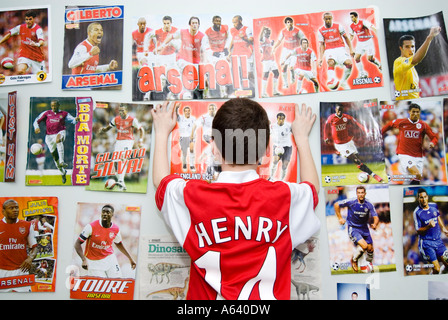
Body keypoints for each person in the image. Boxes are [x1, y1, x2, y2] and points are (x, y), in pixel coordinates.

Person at [151, 98, 320, 300]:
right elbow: (312, 189)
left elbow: (160, 181)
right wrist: (301, 138)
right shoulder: (284, 198)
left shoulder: (192, 197)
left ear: (214, 148)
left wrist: (161, 133)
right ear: (267, 150)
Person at [324, 104, 383, 182]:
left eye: (340, 110)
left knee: (358, 159)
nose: (339, 112)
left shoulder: (346, 117)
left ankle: (363, 172)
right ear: (336, 110)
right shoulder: (331, 118)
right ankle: (374, 175)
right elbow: (326, 126)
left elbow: (357, 123)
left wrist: (366, 130)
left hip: (349, 142)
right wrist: (325, 137)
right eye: (338, 110)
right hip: (340, 145)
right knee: (356, 161)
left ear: (343, 110)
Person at [74, 204, 137, 278]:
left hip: (109, 258)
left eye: (107, 212)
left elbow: (119, 244)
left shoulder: (115, 229)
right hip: (94, 261)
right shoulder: (91, 227)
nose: (105, 214)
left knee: (118, 280)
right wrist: (83, 260)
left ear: (112, 214)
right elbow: (77, 244)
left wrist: (130, 259)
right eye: (103, 212)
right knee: (101, 284)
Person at [381, 103, 438, 184]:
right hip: (405, 154)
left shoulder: (423, 125)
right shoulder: (402, 122)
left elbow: (434, 137)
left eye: (417, 112)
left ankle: (408, 188)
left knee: (416, 179)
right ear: (409, 112)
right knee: (416, 174)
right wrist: (380, 133)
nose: (415, 114)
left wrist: (433, 142)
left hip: (417, 156)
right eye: (413, 112)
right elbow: (390, 124)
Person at [99, 105, 145, 191]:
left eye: (123, 111)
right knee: (115, 163)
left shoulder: (132, 120)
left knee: (123, 159)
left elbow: (141, 129)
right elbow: (109, 127)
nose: (121, 112)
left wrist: (141, 140)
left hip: (128, 141)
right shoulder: (116, 119)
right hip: (118, 142)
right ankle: (122, 183)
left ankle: (120, 180)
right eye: (120, 111)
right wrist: (103, 130)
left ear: (126, 111)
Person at [334, 186, 379, 272]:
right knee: (364, 246)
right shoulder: (351, 202)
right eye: (359, 193)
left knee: (370, 249)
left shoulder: (369, 204)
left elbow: (375, 216)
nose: (361, 194)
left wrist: (375, 224)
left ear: (365, 193)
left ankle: (368, 265)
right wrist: (340, 218)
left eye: (362, 193)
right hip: (353, 228)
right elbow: (336, 205)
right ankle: (354, 260)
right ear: (356, 193)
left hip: (365, 229)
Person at [33, 99, 78, 184]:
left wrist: (76, 119)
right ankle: (63, 172)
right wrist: (36, 127)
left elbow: (73, 120)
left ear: (58, 105)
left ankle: (62, 161)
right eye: (52, 106)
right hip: (49, 137)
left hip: (60, 132)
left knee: (58, 140)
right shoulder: (46, 113)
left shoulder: (64, 114)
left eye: (55, 105)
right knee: (55, 157)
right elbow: (36, 120)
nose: (53, 107)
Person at [393, 26, 441, 100]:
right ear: (401, 48)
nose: (411, 50)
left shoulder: (411, 68)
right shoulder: (399, 61)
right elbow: (416, 59)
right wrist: (429, 38)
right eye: (407, 47)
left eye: (412, 46)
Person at [0, 199, 38, 292]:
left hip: (21, 270)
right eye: (11, 208)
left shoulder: (27, 225)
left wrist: (30, 258)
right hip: (2, 271)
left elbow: (34, 247)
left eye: (16, 207)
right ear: (3, 212)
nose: (15, 210)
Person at [413, 188, 448, 274]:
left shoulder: (434, 206)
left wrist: (443, 228)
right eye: (421, 197)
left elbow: (438, 217)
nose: (424, 199)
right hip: (427, 243)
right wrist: (428, 226)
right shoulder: (417, 212)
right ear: (418, 199)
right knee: (436, 268)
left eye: (425, 197)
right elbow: (418, 230)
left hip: (438, 241)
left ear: (427, 197)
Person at [0, 10, 46, 75]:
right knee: (20, 70)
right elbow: (9, 35)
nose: (28, 21)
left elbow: (42, 41)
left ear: (34, 19)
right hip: (24, 54)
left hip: (37, 57)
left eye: (30, 19)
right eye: (27, 19)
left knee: (41, 77)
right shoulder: (20, 27)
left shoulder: (38, 29)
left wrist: (36, 44)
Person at [318, 12, 354, 90]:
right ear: (323, 19)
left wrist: (351, 49)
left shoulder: (338, 26)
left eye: (329, 19)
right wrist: (320, 58)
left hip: (340, 48)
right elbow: (321, 45)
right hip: (329, 50)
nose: (328, 20)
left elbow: (346, 38)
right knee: (331, 62)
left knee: (349, 64)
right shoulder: (321, 30)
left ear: (332, 19)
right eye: (326, 19)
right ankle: (332, 80)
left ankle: (343, 82)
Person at [273, 17, 305, 89]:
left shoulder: (297, 31)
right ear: (285, 24)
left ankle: (292, 76)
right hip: (286, 51)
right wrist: (274, 48)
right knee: (283, 67)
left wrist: (302, 48)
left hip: (294, 51)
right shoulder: (283, 31)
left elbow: (303, 39)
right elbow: (279, 41)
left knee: (291, 67)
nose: (290, 24)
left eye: (291, 22)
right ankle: (285, 83)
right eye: (288, 22)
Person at [348, 11, 381, 78]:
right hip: (360, 43)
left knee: (370, 59)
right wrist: (347, 43)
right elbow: (351, 36)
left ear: (356, 17)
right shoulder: (351, 26)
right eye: (350, 17)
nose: (351, 19)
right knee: (356, 58)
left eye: (352, 17)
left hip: (368, 42)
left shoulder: (363, 22)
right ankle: (362, 73)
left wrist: (378, 35)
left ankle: (379, 65)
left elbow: (372, 27)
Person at [204, 16, 231, 98]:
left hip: (222, 54)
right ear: (213, 21)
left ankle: (224, 93)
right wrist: (212, 53)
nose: (218, 22)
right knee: (211, 75)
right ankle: (207, 93)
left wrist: (226, 47)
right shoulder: (208, 32)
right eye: (216, 21)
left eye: (219, 21)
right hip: (212, 56)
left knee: (222, 74)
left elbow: (229, 38)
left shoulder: (225, 28)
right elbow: (204, 46)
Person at [269, 112, 293, 181]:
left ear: (284, 119)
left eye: (282, 119)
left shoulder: (289, 126)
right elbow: (268, 132)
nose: (281, 120)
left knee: (284, 165)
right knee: (275, 161)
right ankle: (271, 177)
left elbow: (295, 132)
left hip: (287, 147)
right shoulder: (273, 126)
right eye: (279, 119)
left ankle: (282, 180)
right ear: (277, 119)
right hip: (277, 146)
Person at [259, 26, 281, 97]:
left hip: (272, 60)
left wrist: (272, 45)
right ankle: (263, 93)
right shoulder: (263, 39)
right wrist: (262, 29)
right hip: (266, 60)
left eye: (269, 32)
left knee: (276, 73)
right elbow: (260, 38)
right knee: (266, 75)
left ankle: (274, 91)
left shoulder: (269, 40)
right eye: (266, 32)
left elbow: (269, 48)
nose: (268, 34)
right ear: (264, 33)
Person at [175, 103, 197, 172]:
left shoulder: (193, 118)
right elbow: (176, 115)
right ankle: (184, 163)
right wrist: (176, 108)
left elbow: (195, 126)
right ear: (184, 112)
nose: (187, 112)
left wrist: (193, 134)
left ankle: (192, 165)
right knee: (184, 152)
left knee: (191, 150)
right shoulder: (181, 118)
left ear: (190, 111)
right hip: (183, 137)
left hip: (191, 137)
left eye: (188, 111)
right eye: (186, 111)